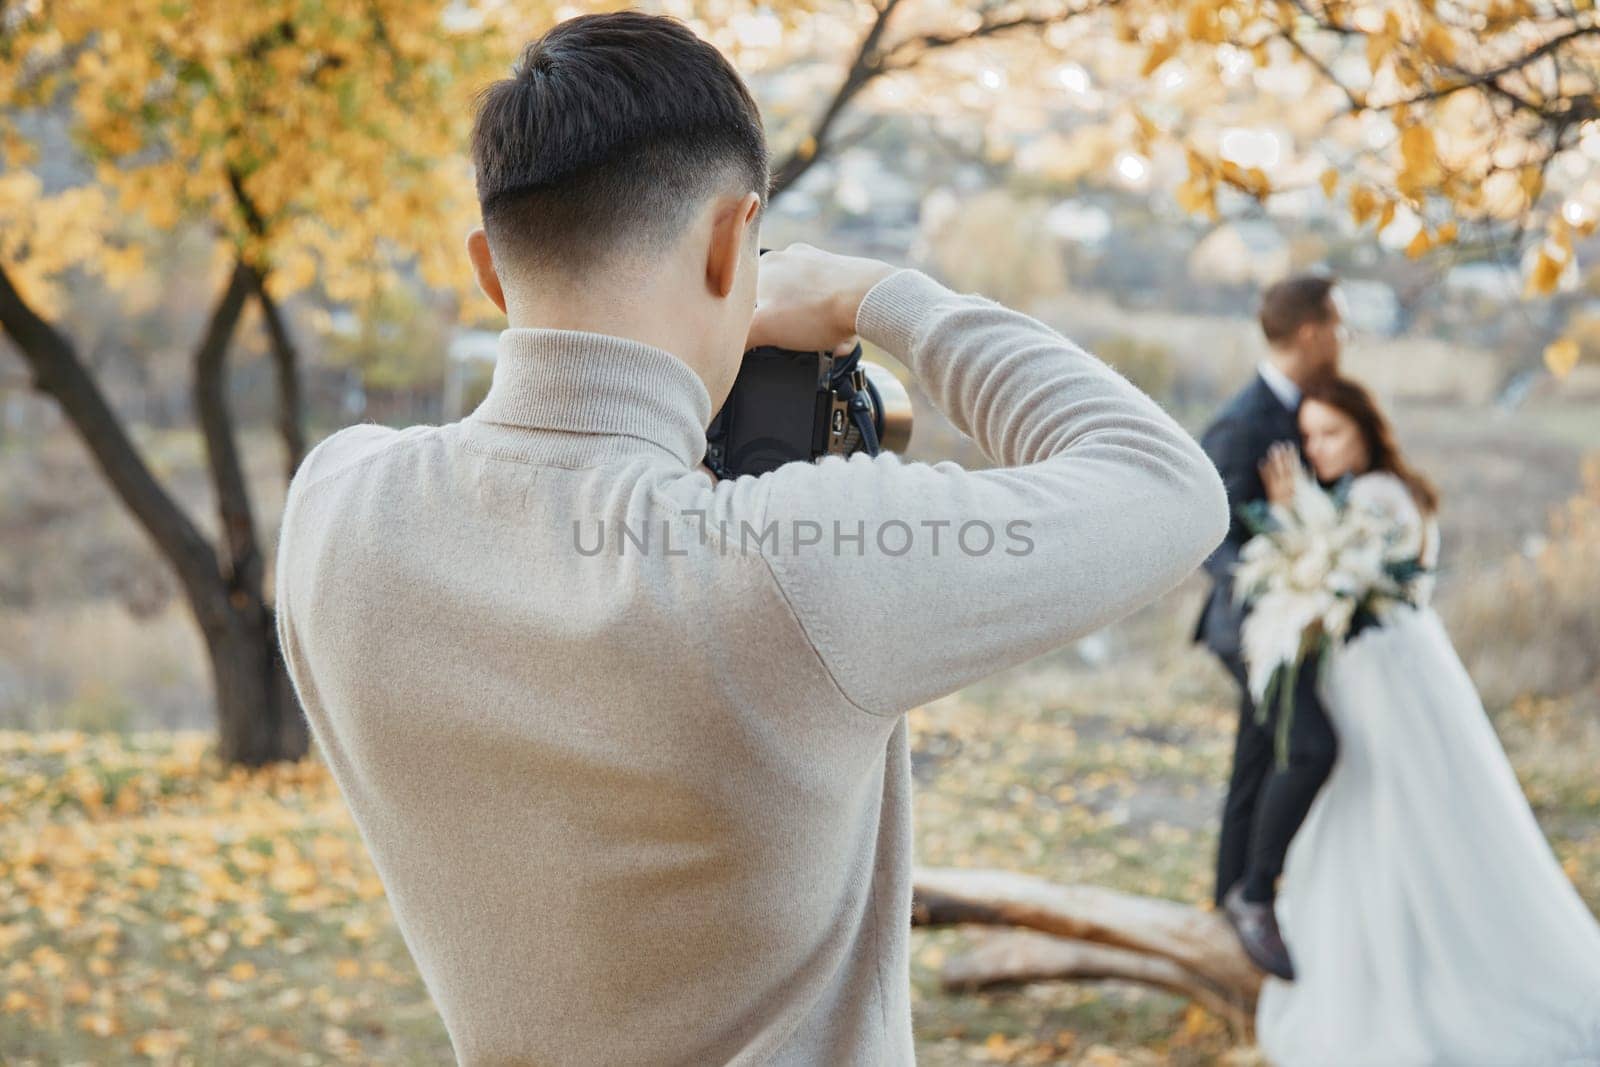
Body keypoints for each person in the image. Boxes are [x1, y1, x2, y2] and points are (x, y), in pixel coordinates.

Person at [272, 11, 1229, 1066]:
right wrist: (879, 294)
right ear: (735, 241)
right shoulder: (793, 559)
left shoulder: (337, 505)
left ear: (488, 271)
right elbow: (1167, 483)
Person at [1253, 376, 1600, 1065]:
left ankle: (1428, 983)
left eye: (1333, 434)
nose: (1318, 448)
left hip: (1389, 675)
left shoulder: (1381, 494)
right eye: (1311, 434)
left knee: (1401, 810)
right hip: (1370, 673)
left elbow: (1352, 583)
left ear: (1365, 430)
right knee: (1362, 815)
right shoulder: (1353, 494)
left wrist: (1295, 521)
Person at [1194, 274, 1345, 980]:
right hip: (1251, 627)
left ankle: (1229, 898)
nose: (1343, 339)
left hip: (1297, 620)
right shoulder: (1242, 420)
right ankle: (1253, 898)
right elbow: (1208, 534)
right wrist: (1281, 581)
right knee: (1306, 746)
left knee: (1256, 756)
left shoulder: (1311, 409)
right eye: (1339, 324)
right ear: (1311, 331)